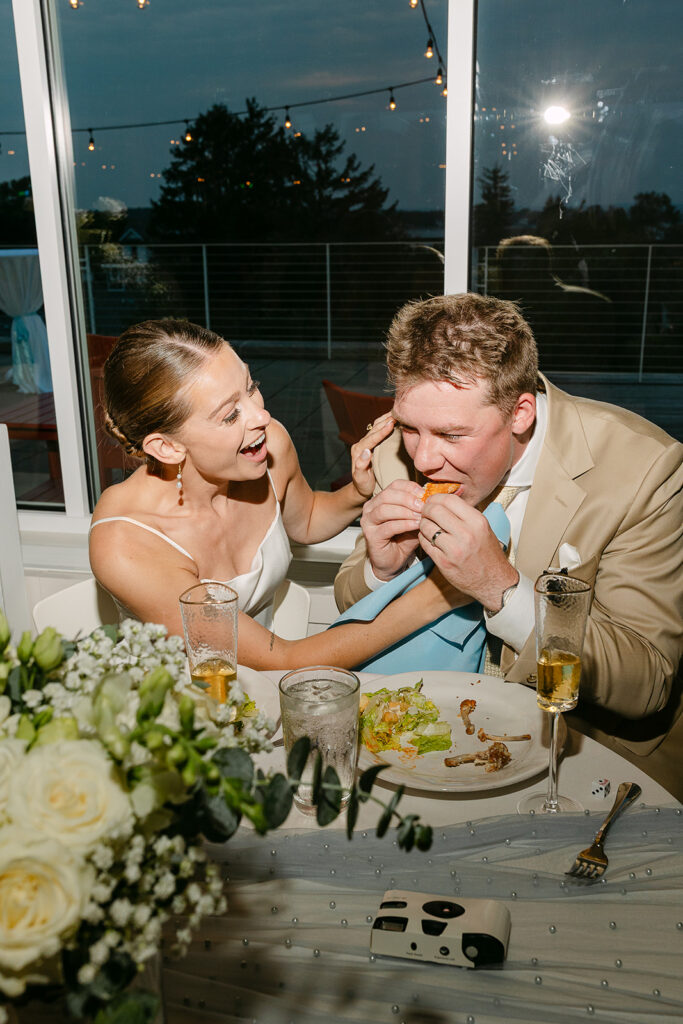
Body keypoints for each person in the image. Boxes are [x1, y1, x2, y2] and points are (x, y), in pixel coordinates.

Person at [334, 293, 683, 798]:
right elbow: (351, 603)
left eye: (452, 435)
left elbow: (646, 681)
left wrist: (502, 588)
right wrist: (382, 572)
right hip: (438, 735)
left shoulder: (644, 470)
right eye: (410, 427)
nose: (424, 457)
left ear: (520, 414)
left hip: (589, 750)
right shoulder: (400, 450)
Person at [89, 319, 459, 672]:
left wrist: (359, 492)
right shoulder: (125, 543)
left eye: (251, 387)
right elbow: (283, 660)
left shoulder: (266, 446)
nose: (261, 416)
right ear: (167, 447)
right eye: (230, 415)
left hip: (261, 685)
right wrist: (439, 596)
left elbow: (308, 518)